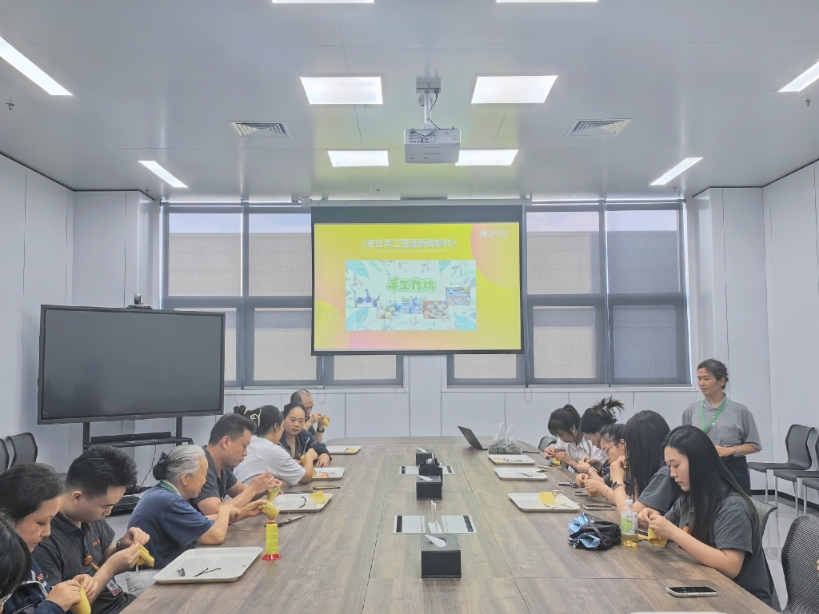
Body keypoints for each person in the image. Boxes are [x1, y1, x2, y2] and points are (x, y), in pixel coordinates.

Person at [648, 426, 773, 605]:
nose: (672, 474)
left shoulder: (732, 507)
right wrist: (652, 519)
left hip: (742, 601)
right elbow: (666, 527)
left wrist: (674, 533)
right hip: (706, 586)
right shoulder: (691, 496)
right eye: (669, 467)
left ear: (698, 463)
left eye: (676, 466)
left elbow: (730, 566)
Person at [34, 447, 146, 614]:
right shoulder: (42, 537)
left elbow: (103, 554)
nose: (109, 512)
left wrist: (122, 546)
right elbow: (63, 607)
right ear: (77, 497)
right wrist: (111, 568)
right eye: (106, 506)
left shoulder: (89, 517)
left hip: (120, 602)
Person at [127, 446, 262, 569]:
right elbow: (216, 536)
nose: (204, 481)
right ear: (185, 478)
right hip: (152, 576)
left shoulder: (163, 494)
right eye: (203, 475)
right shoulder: (170, 501)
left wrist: (243, 512)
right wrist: (225, 509)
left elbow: (201, 522)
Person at [0, 464, 94, 614]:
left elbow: (36, 597)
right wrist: (53, 607)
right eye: (41, 522)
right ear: (6, 519)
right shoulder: (5, 569)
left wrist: (65, 593)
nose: (48, 532)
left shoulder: (27, 558)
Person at [682, 359, 761, 495]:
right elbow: (683, 443)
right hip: (701, 466)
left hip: (732, 468)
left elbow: (755, 445)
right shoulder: (691, 410)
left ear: (721, 381)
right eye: (699, 379)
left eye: (706, 379)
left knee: (737, 504)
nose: (702, 383)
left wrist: (731, 450)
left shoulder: (740, 411)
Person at [595, 411, 680, 520]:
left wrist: (617, 480)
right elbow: (632, 502)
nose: (627, 450)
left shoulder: (665, 473)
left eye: (629, 445)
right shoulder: (647, 468)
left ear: (640, 447)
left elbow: (629, 517)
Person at [192, 413, 282, 516]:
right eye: (244, 446)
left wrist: (263, 488)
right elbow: (216, 512)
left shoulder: (222, 466)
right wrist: (253, 488)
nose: (245, 453)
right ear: (226, 442)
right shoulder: (201, 466)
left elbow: (239, 491)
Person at [233, 405, 315, 486]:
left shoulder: (250, 440)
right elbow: (306, 477)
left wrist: (291, 465)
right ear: (276, 427)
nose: (296, 424)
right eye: (282, 426)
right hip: (245, 493)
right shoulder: (272, 450)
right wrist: (309, 456)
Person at [542, 404, 606, 473]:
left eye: (561, 434)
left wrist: (570, 462)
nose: (560, 438)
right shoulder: (564, 439)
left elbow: (596, 473)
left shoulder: (593, 441)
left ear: (573, 428)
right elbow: (557, 447)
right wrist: (551, 450)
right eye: (558, 435)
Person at [576, 397, 624, 473]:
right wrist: (597, 464)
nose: (593, 444)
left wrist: (589, 470)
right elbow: (607, 474)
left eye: (590, 439)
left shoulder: (617, 449)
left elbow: (612, 479)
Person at [279, 402, 331, 468]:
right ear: (283, 418)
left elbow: (320, 447)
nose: (296, 424)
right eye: (292, 420)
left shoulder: (303, 434)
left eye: (301, 421)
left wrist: (324, 456)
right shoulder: (276, 437)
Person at [576, 422, 625, 490]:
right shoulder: (619, 466)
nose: (607, 458)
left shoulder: (632, 469)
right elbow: (603, 482)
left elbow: (619, 495)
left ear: (622, 444)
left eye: (607, 451)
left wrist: (589, 469)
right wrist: (587, 478)